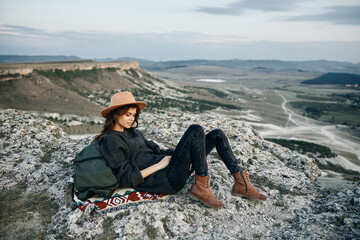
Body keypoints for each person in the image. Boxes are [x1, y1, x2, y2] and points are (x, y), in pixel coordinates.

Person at [93, 91, 266, 209]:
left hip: (171, 167)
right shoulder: (111, 141)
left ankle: (241, 182)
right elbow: (126, 180)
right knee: (195, 129)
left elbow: (157, 150)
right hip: (165, 179)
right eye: (127, 115)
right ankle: (200, 188)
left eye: (133, 115)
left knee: (217, 135)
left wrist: (182, 154)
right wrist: (160, 165)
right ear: (115, 114)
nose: (131, 119)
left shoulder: (133, 132)